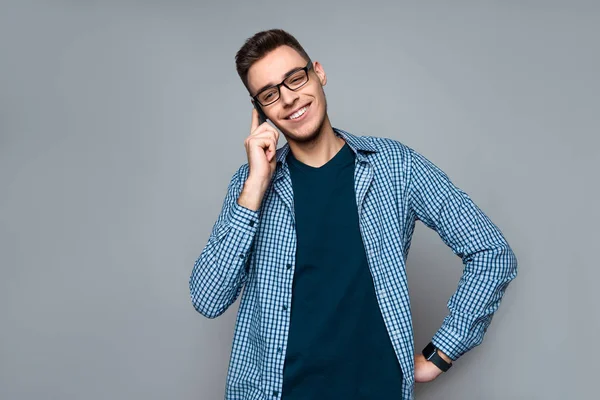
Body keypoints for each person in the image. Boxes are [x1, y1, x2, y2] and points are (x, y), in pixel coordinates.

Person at [189, 28, 518, 400]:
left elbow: (492, 253)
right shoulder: (251, 184)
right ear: (260, 110)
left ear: (318, 73)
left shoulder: (394, 166)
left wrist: (439, 354)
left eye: (295, 78)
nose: (288, 98)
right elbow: (208, 297)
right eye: (269, 94)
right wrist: (254, 189)